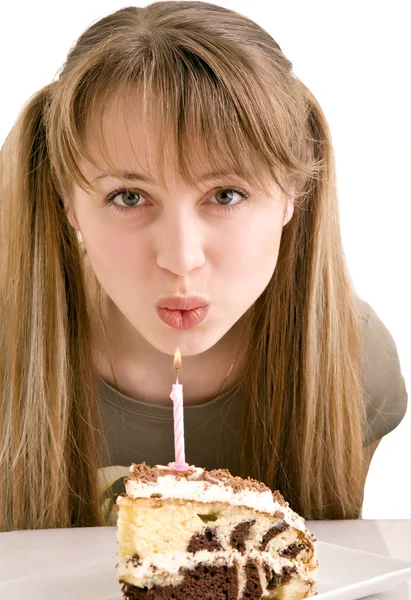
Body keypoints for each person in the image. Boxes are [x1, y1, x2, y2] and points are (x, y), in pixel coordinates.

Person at [0, 0, 407, 532]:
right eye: (128, 196)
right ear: (66, 201)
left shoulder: (353, 357)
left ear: (293, 195)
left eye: (226, 194)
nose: (181, 259)